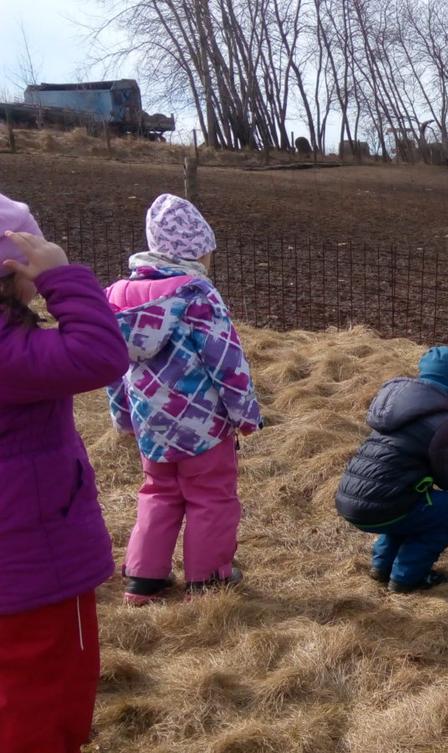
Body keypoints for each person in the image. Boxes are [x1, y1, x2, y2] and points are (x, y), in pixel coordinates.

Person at [0, 198, 131, 752]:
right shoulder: (9, 354)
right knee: (42, 703)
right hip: (31, 570)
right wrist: (61, 277)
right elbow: (100, 354)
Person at [106, 194, 262, 605]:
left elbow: (113, 366)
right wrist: (245, 413)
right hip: (203, 426)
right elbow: (226, 359)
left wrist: (123, 416)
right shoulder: (198, 295)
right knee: (211, 495)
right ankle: (208, 580)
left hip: (150, 425)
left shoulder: (116, 296)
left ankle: (143, 579)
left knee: (158, 491)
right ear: (198, 251)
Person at [336, 346, 448, 592]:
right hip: (384, 505)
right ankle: (407, 577)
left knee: (410, 507)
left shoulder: (399, 408)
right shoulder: (446, 421)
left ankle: (382, 566)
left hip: (353, 498)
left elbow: (414, 451)